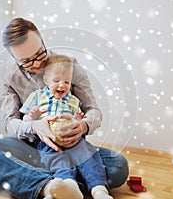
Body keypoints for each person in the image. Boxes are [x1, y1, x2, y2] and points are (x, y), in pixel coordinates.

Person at [0, 17, 129, 199]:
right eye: (26, 61)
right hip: (28, 149)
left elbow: (93, 111)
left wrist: (82, 126)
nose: (37, 64)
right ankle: (48, 187)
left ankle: (12, 180)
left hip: (68, 146)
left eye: (40, 54)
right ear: (14, 58)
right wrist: (34, 127)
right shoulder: (8, 76)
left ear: (42, 40)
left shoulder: (68, 65)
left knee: (117, 166)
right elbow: (11, 124)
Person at [20, 54, 112, 199]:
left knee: (88, 156)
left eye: (67, 81)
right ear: (46, 80)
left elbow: (78, 120)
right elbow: (25, 121)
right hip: (48, 141)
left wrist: (78, 120)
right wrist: (33, 116)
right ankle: (64, 188)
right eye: (56, 81)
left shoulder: (73, 100)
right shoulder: (36, 97)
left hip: (73, 139)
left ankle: (99, 190)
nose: (62, 85)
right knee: (57, 160)